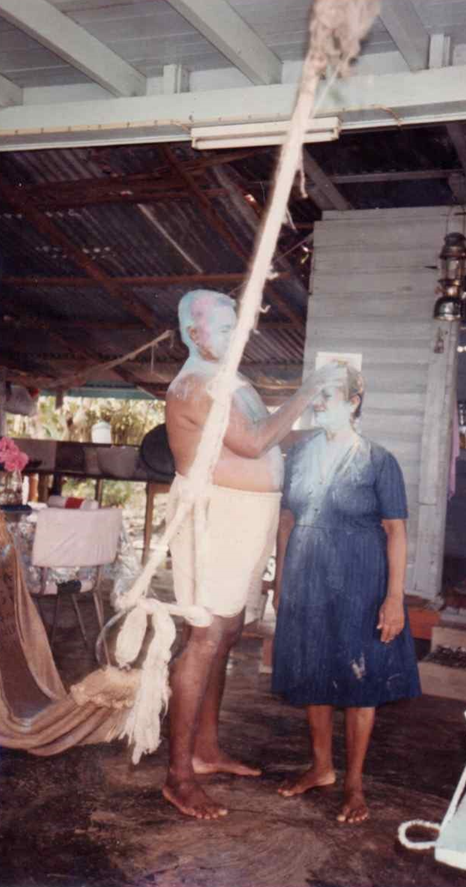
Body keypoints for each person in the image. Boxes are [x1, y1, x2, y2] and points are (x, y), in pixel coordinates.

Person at [164, 289, 345, 820]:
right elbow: (255, 441)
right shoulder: (195, 386)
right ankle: (177, 776)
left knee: (228, 632)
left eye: (235, 326)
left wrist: (325, 424)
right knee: (205, 636)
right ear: (194, 335)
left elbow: (271, 440)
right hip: (215, 517)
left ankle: (206, 749)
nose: (233, 336)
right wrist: (309, 387)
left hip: (247, 520)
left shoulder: (231, 381)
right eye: (221, 328)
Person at [272, 363, 421, 824]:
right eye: (314, 395)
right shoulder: (297, 456)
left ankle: (354, 783)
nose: (317, 404)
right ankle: (321, 768)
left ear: (354, 402)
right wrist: (279, 583)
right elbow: (286, 522)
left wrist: (394, 598)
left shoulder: (379, 460)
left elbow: (395, 532)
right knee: (315, 670)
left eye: (328, 396)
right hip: (307, 579)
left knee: (361, 683)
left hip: (361, 581)